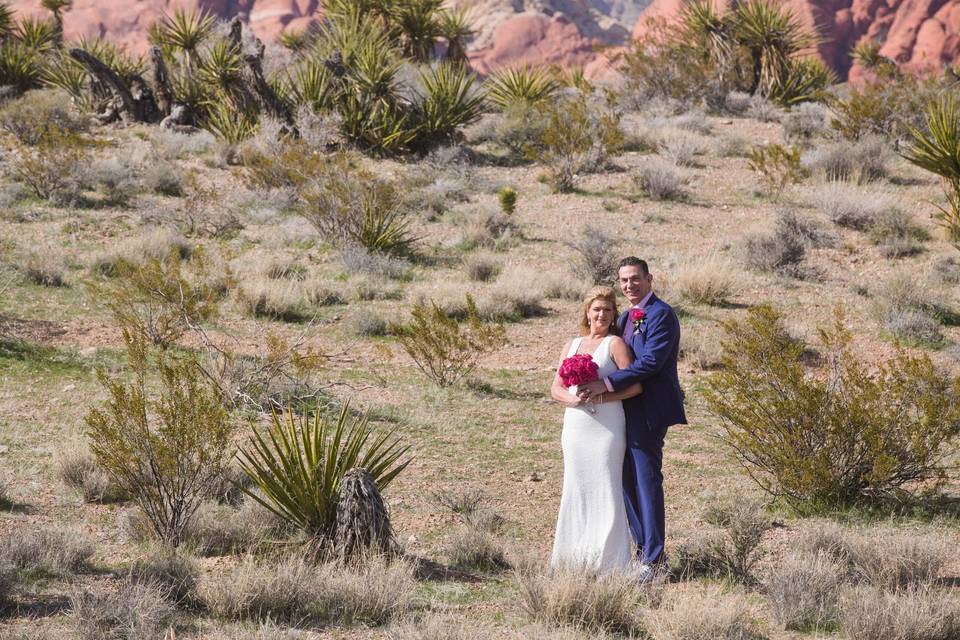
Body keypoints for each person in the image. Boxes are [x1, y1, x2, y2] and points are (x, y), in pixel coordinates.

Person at [577, 257, 686, 580]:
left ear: (649, 278)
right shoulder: (624, 317)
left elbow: (651, 362)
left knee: (646, 480)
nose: (629, 285)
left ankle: (654, 560)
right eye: (623, 280)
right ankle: (642, 552)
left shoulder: (662, 315)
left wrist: (606, 385)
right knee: (625, 480)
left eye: (635, 279)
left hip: (650, 409)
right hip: (621, 411)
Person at [549, 286, 643, 573]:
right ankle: (573, 559)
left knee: (606, 485)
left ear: (614, 314)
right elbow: (556, 388)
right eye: (596, 309)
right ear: (587, 313)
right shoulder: (572, 344)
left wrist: (602, 396)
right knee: (576, 487)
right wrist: (573, 399)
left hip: (607, 426)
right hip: (576, 425)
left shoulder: (615, 344)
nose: (601, 314)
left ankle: (609, 564)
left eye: (607, 309)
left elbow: (635, 386)